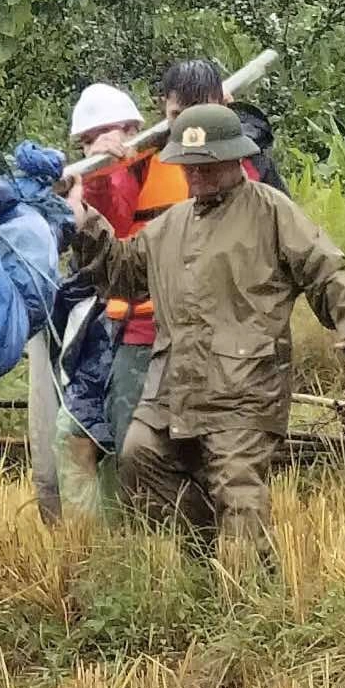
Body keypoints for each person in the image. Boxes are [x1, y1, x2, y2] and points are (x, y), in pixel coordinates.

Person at [64, 104, 345, 554]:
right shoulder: (172, 225)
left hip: (245, 386)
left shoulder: (270, 211)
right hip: (175, 383)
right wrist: (84, 222)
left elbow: (326, 268)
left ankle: (250, 598)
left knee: (238, 493)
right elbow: (122, 269)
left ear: (234, 159)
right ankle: (206, 556)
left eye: (206, 164)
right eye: (188, 165)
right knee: (139, 457)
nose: (195, 175)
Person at [82, 59, 288, 494]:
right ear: (164, 110)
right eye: (179, 116)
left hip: (228, 339)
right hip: (144, 332)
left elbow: (286, 250)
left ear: (222, 105)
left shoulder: (249, 163)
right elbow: (111, 234)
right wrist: (101, 174)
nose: (190, 126)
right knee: (137, 453)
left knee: (224, 460)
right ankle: (169, 548)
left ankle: (222, 545)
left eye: (203, 109)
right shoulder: (140, 159)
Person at [47, 84, 144, 523]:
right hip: (98, 323)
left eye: (117, 129)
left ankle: (121, 548)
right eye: (93, 137)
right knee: (78, 436)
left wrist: (109, 173)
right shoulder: (83, 184)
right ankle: (87, 555)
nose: (106, 141)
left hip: (144, 327)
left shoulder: (152, 169)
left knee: (121, 447)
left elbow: (120, 219)